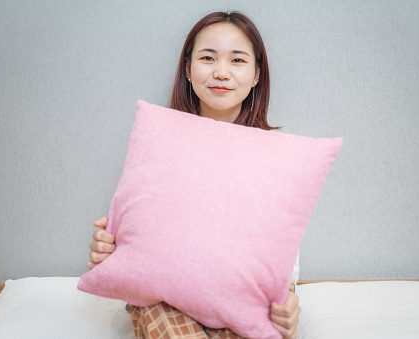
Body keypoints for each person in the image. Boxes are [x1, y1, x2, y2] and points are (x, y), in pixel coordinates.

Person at [87, 11, 301, 339]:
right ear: (188, 69)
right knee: (160, 306)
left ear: (257, 74)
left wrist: (287, 304)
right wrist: (111, 249)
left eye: (238, 60)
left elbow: (281, 258)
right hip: (164, 300)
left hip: (239, 301)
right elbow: (142, 234)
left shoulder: (274, 155)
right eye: (207, 57)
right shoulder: (158, 141)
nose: (221, 72)